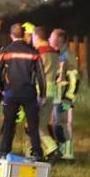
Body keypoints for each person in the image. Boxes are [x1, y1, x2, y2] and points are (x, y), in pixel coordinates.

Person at [0, 23, 45, 160]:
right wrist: (43, 94)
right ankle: (38, 153)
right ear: (23, 34)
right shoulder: (33, 52)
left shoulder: (6, 51)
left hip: (11, 93)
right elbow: (41, 75)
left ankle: (4, 152)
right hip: (29, 93)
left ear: (11, 35)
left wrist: (1, 88)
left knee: (9, 123)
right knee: (33, 125)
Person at [32, 25, 61, 159]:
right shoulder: (55, 52)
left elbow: (35, 71)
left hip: (40, 90)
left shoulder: (38, 51)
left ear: (36, 36)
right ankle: (46, 150)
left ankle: (50, 148)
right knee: (42, 125)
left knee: (33, 125)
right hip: (52, 90)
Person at [52, 29, 79, 159]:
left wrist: (68, 99)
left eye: (52, 38)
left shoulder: (68, 55)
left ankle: (67, 154)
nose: (49, 41)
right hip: (55, 97)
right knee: (57, 123)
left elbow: (74, 79)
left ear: (59, 41)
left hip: (65, 98)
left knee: (62, 124)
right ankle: (60, 151)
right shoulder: (56, 54)